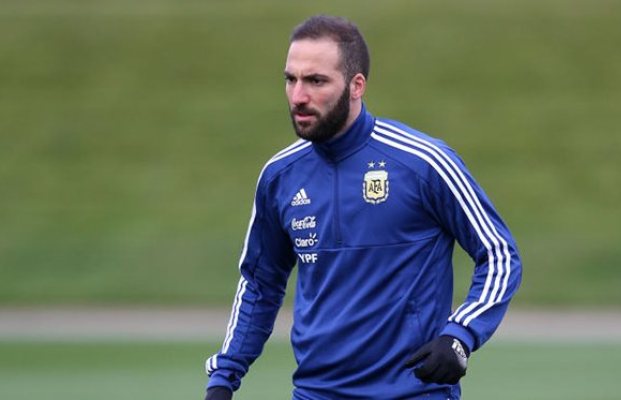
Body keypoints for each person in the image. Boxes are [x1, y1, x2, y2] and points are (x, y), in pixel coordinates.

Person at [204, 15, 522, 400]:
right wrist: (224, 378)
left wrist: (461, 334)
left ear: (357, 86)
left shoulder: (423, 162)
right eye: (291, 79)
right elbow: (260, 283)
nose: (298, 96)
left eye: (316, 81)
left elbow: (500, 254)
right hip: (316, 393)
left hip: (414, 394)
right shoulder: (280, 176)